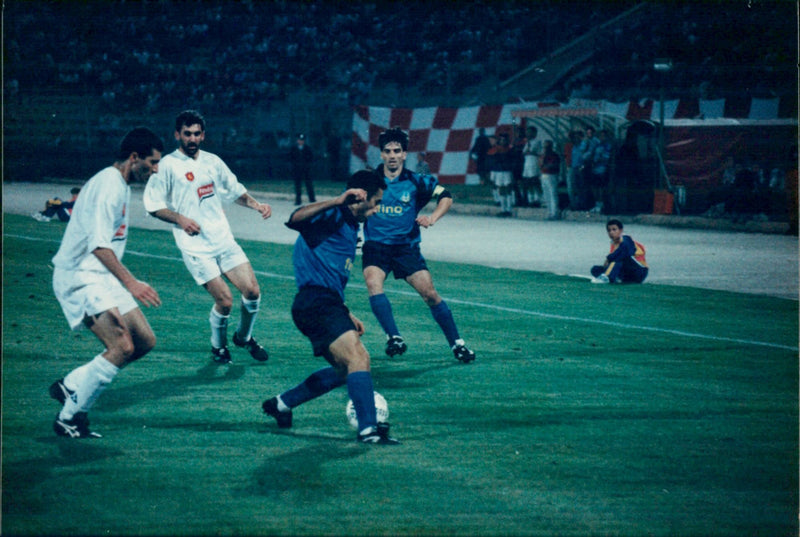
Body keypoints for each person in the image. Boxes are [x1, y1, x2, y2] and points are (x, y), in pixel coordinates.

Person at [261, 170, 400, 445]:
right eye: (376, 202)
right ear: (360, 199)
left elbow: (328, 272)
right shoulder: (333, 217)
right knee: (359, 359)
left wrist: (346, 311)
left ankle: (281, 404)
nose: (377, 209)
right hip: (316, 302)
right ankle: (369, 430)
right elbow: (295, 218)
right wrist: (338, 201)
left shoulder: (349, 226)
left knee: (345, 370)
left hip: (324, 303)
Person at [49, 127, 164, 438]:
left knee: (143, 341)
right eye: (152, 163)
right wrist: (131, 283)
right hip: (80, 276)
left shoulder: (120, 183)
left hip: (100, 275)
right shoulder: (108, 186)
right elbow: (99, 245)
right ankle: (70, 418)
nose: (155, 170)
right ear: (134, 157)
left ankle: (71, 384)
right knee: (121, 346)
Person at [143, 110, 272, 364]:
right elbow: (152, 205)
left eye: (197, 134)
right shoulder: (166, 166)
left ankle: (244, 338)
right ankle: (218, 347)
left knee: (252, 291)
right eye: (187, 134)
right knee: (225, 301)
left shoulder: (213, 161)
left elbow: (235, 191)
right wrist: (180, 219)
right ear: (177, 134)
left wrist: (256, 205)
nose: (192, 138)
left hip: (223, 239)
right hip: (196, 247)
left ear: (203, 135)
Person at [362, 127, 476, 363]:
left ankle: (457, 344)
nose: (392, 155)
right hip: (376, 247)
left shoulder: (417, 181)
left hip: (406, 248)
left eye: (397, 151)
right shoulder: (368, 181)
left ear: (405, 154)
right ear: (381, 155)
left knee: (430, 295)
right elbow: (350, 207)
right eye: (387, 151)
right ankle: (394, 337)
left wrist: (432, 218)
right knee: (374, 284)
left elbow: (446, 194)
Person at [591, 219, 648, 284]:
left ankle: (607, 277)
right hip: (627, 272)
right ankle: (613, 277)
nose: (611, 232)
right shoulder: (614, 244)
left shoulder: (626, 239)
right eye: (609, 230)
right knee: (595, 269)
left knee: (618, 259)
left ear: (621, 230)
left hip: (639, 271)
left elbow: (628, 251)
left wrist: (609, 258)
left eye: (614, 229)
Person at [487, 132, 515, 217]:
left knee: (508, 189)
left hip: (507, 171)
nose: (503, 141)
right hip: (499, 171)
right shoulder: (496, 149)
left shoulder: (510, 149)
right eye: (501, 139)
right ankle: (503, 209)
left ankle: (509, 209)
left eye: (504, 139)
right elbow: (491, 158)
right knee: (501, 190)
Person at [589, 129, 613, 214]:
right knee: (594, 187)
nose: (601, 137)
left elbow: (606, 157)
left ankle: (601, 205)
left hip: (602, 169)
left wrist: (597, 161)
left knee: (601, 188)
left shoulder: (607, 146)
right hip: (595, 169)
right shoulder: (597, 145)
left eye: (603, 136)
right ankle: (597, 204)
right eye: (600, 136)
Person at [290, 133, 316, 205]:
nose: (301, 141)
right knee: (298, 185)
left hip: (306, 170)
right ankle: (298, 200)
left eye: (302, 140)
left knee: (309, 185)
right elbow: (291, 158)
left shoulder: (308, 149)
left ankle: (312, 199)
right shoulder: (293, 149)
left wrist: (308, 166)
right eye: (299, 140)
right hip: (297, 169)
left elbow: (311, 158)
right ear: (297, 140)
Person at [521, 126, 542, 208]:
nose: (527, 134)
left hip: (534, 163)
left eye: (529, 132)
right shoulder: (527, 142)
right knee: (528, 182)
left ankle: (538, 199)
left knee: (534, 181)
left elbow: (531, 151)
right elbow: (524, 152)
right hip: (527, 164)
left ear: (534, 133)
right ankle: (531, 199)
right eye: (527, 132)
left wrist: (529, 151)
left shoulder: (537, 142)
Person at [539, 140, 561, 220]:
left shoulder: (554, 155)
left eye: (547, 146)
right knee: (546, 194)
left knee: (552, 194)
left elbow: (553, 165)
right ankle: (550, 212)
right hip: (544, 174)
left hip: (551, 175)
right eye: (544, 146)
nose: (545, 148)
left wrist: (545, 166)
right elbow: (540, 165)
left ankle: (555, 212)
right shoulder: (543, 155)